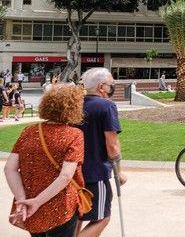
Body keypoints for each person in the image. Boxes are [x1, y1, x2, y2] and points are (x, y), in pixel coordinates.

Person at [4, 85, 86, 236]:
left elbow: (9, 168)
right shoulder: (74, 134)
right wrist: (37, 201)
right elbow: (65, 176)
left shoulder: (29, 131)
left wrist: (22, 199)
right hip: (60, 204)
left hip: (29, 201)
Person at [78, 68, 127, 237]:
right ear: (101, 87)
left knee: (77, 216)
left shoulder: (75, 104)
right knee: (102, 217)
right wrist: (119, 172)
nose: (112, 87)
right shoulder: (107, 106)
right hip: (95, 172)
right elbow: (112, 144)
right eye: (110, 84)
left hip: (73, 172)